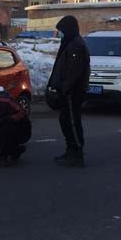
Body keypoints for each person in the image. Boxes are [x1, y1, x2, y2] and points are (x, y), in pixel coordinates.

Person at [47, 15, 90, 167]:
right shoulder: (70, 43)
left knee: (72, 122)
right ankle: (70, 150)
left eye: (62, 30)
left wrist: (65, 89)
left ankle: (77, 153)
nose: (60, 34)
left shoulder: (76, 45)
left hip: (72, 92)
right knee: (64, 121)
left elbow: (74, 72)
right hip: (67, 91)